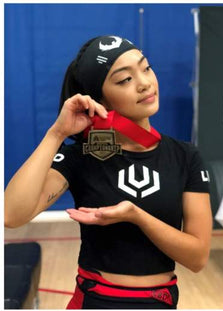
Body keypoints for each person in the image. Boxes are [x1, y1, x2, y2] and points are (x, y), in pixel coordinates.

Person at [5, 35, 212, 309]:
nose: (145, 83)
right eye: (125, 79)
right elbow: (11, 215)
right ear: (100, 98)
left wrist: (136, 216)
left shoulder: (186, 157)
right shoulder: (80, 157)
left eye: (146, 67)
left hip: (161, 302)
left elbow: (197, 258)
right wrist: (57, 134)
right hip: (96, 301)